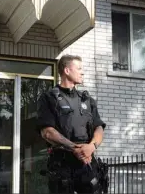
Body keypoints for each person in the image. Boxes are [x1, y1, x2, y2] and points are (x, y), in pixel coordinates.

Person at [37, 54, 107, 194]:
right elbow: (47, 132)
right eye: (79, 68)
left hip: (87, 164)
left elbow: (98, 127)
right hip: (62, 166)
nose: (82, 72)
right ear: (67, 71)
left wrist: (91, 146)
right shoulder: (49, 98)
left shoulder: (87, 100)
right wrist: (75, 148)